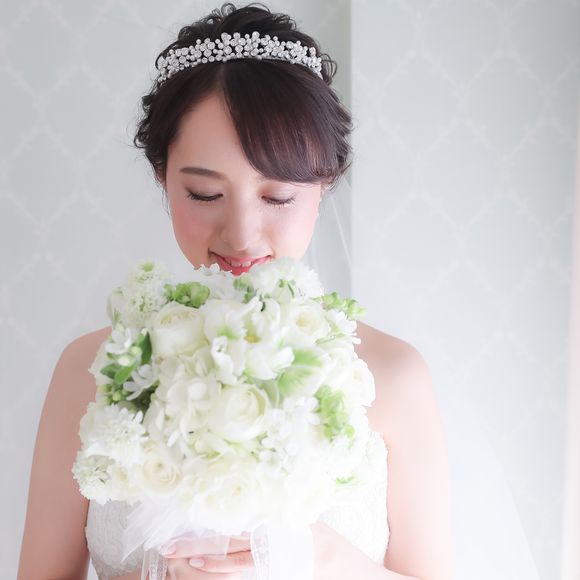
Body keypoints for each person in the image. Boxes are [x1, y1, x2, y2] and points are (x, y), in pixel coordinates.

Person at [17, 3, 453, 580]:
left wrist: (322, 557)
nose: (242, 235)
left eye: (277, 198)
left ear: (324, 184)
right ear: (162, 177)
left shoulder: (393, 376)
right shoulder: (89, 370)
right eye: (204, 194)